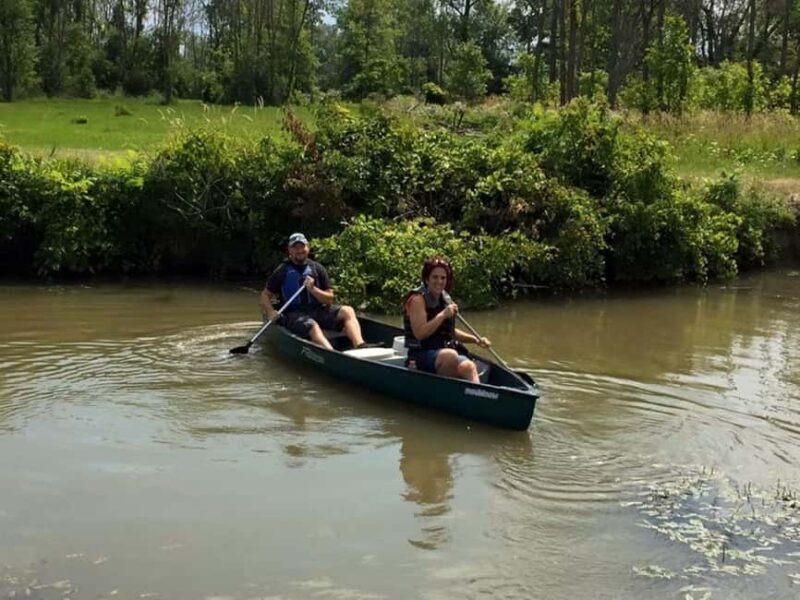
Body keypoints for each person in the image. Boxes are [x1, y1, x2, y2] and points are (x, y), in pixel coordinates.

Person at [260, 232, 374, 351]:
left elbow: (329, 298)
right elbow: (265, 295)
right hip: (293, 313)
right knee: (312, 325)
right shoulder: (282, 270)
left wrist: (313, 289)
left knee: (348, 310)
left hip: (317, 310)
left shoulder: (317, 268)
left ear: (307, 247)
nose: (299, 250)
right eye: (295, 248)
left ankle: (360, 345)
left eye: (302, 246)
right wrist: (270, 311)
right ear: (289, 250)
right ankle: (332, 354)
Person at [403, 256, 491, 383]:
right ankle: (447, 393)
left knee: (469, 367)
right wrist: (443, 314)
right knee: (450, 355)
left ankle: (477, 397)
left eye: (443, 278)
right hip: (420, 355)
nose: (439, 281)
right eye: (435, 277)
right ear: (427, 279)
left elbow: (450, 332)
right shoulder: (417, 300)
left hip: (443, 353)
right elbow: (420, 333)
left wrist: (476, 340)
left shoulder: (445, 299)